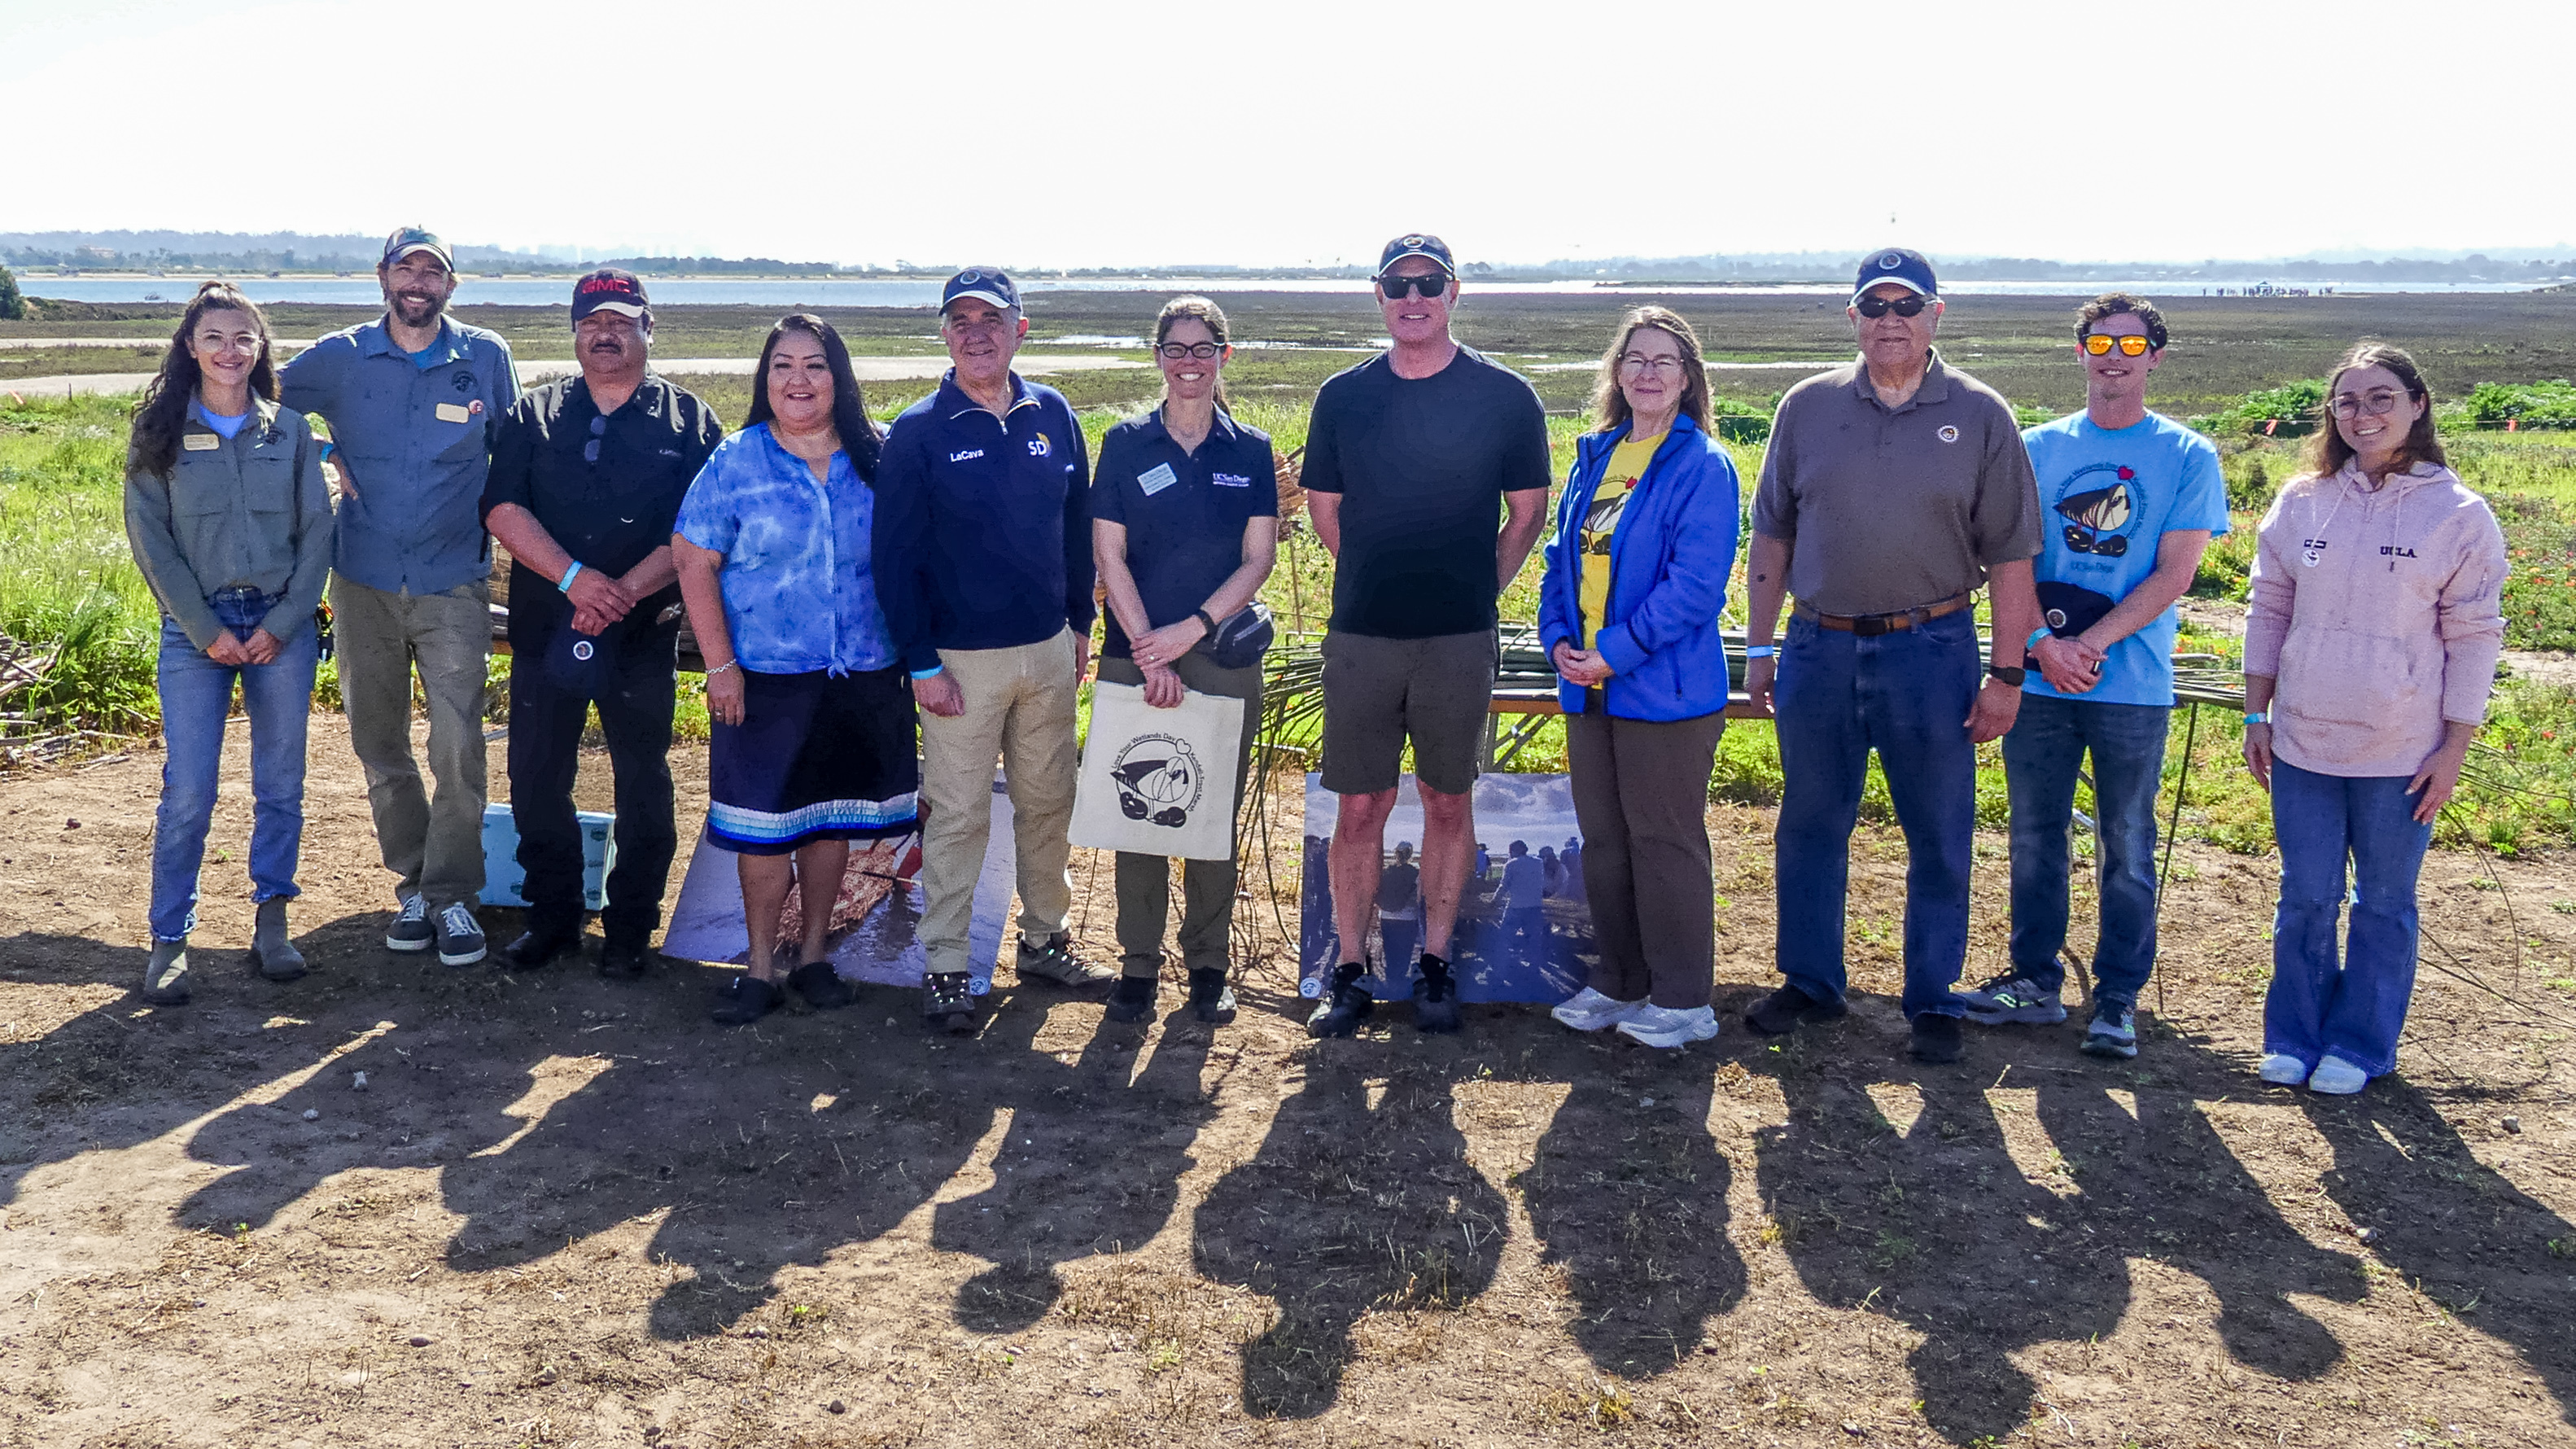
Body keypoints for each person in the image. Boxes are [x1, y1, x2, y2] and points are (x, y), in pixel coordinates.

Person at [1741, 247, 2043, 1065]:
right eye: (1874, 304)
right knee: (1809, 822)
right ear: (1853, 318)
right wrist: (1759, 646)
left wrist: (2007, 673)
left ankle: (1933, 996)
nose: (1891, 319)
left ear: (1937, 314)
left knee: (1939, 830)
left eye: (1907, 303)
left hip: (1933, 648)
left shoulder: (1980, 414)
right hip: (1819, 646)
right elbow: (1772, 534)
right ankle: (1811, 981)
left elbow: (2013, 555)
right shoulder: (1807, 408)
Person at [1958, 295, 2227, 1059]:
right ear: (2078, 353)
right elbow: (2008, 560)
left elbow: (2175, 572)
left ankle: (2115, 999)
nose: (2114, 355)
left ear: (2154, 358)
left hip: (2130, 686)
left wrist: (2091, 645)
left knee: (2126, 842)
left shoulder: (2185, 456)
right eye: (2099, 341)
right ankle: (2033, 981)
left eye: (2131, 344)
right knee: (2034, 837)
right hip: (2039, 683)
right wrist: (2044, 645)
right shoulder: (2033, 448)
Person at [1305, 234, 1551, 1037]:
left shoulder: (1505, 396)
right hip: (1364, 635)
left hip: (1458, 637)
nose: (1414, 298)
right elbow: (1325, 512)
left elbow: (1526, 513)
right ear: (1379, 295)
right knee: (1361, 806)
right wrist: (1381, 573)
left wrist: (1477, 588)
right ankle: (1348, 969)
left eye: (1429, 284)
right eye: (1398, 285)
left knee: (1450, 799)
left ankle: (1436, 965)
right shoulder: (1343, 396)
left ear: (1455, 292)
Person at [2241, 344, 2504, 1095]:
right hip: (2302, 738)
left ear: (2417, 405)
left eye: (2382, 397)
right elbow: (2269, 606)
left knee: (2383, 903)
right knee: (2305, 896)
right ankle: (2293, 1035)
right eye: (2348, 401)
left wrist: (2453, 746)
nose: (2364, 415)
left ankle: (2360, 1047)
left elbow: (2473, 634)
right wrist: (2254, 711)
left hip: (2401, 748)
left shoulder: (2456, 513)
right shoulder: (2302, 501)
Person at [279, 226, 518, 967]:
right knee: (378, 743)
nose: (418, 281)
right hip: (363, 580)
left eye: (433, 271)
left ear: (452, 285)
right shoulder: (340, 356)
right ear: (381, 276)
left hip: (454, 582)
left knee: (458, 742)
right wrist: (323, 453)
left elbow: (510, 455)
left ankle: (453, 899)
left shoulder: (483, 356)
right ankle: (413, 882)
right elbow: (258, 402)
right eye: (405, 268)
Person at [874, 267, 1104, 1032]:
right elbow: (893, 559)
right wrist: (920, 663)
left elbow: (1076, 527)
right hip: (958, 663)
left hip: (1046, 651)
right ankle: (945, 965)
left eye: (992, 319)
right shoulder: (917, 431)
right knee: (960, 814)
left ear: (1020, 330)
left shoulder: (1054, 413)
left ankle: (1045, 942)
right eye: (961, 320)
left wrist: (1079, 622)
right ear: (944, 333)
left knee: (1048, 802)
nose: (977, 332)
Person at [673, 315, 920, 1024]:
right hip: (764, 679)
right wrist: (719, 664)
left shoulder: (877, 458)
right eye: (782, 366)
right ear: (765, 378)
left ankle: (813, 958)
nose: (798, 381)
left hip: (862, 674)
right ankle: (757, 970)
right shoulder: (736, 461)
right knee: (763, 828)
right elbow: (693, 560)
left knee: (828, 822)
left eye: (814, 366)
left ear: (838, 377)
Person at [480, 269, 723, 978]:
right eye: (592, 323)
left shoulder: (689, 420)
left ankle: (628, 931)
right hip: (545, 629)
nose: (606, 334)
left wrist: (621, 592)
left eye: (621, 321)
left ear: (649, 329)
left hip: (641, 636)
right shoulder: (537, 413)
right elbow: (502, 508)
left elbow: (697, 529)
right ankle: (552, 920)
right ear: (576, 332)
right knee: (534, 779)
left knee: (642, 783)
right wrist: (574, 579)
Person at [122, 283, 335, 1005]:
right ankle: (169, 940)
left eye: (244, 338)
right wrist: (205, 631)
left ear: (260, 346)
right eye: (214, 337)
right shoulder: (158, 432)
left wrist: (281, 625)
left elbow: (318, 537)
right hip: (195, 634)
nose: (230, 352)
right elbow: (152, 544)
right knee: (190, 791)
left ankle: (271, 924)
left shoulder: (291, 431)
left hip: (281, 626)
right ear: (190, 346)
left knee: (281, 786)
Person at [1537, 306, 1742, 1049]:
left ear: (1687, 379)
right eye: (1634, 359)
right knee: (1604, 842)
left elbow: (1695, 587)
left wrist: (1615, 651)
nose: (1647, 373)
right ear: (1615, 374)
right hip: (1587, 685)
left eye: (1663, 361)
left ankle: (1684, 998)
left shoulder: (1703, 466)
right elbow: (1560, 561)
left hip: (1666, 691)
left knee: (1665, 842)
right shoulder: (1595, 454)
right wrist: (1559, 637)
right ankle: (1619, 983)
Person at [1091, 295, 1279, 1025]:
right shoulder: (1125, 443)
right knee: (1136, 811)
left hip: (1220, 656)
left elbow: (1257, 558)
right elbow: (1109, 552)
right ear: (1158, 356)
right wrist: (1149, 649)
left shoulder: (1251, 450)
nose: (1189, 362)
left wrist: (1190, 632)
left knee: (1209, 817)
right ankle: (1137, 966)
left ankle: (1208, 967)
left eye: (1204, 349)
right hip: (1134, 655)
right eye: (1176, 348)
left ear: (1223, 357)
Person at [1376, 843, 1421, 978]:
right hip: (1408, 917)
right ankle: (1400, 978)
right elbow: (1419, 896)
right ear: (1410, 854)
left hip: (1387, 916)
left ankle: (1391, 977)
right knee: (1405, 951)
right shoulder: (1415, 873)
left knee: (1390, 950)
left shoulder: (1386, 872)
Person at [1498, 840, 1546, 965]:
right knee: (1533, 937)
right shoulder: (1538, 862)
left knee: (1505, 935)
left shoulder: (1511, 864)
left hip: (1516, 906)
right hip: (1535, 906)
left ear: (1514, 851)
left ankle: (1504, 962)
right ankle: (1533, 963)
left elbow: (1504, 886)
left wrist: (1494, 901)